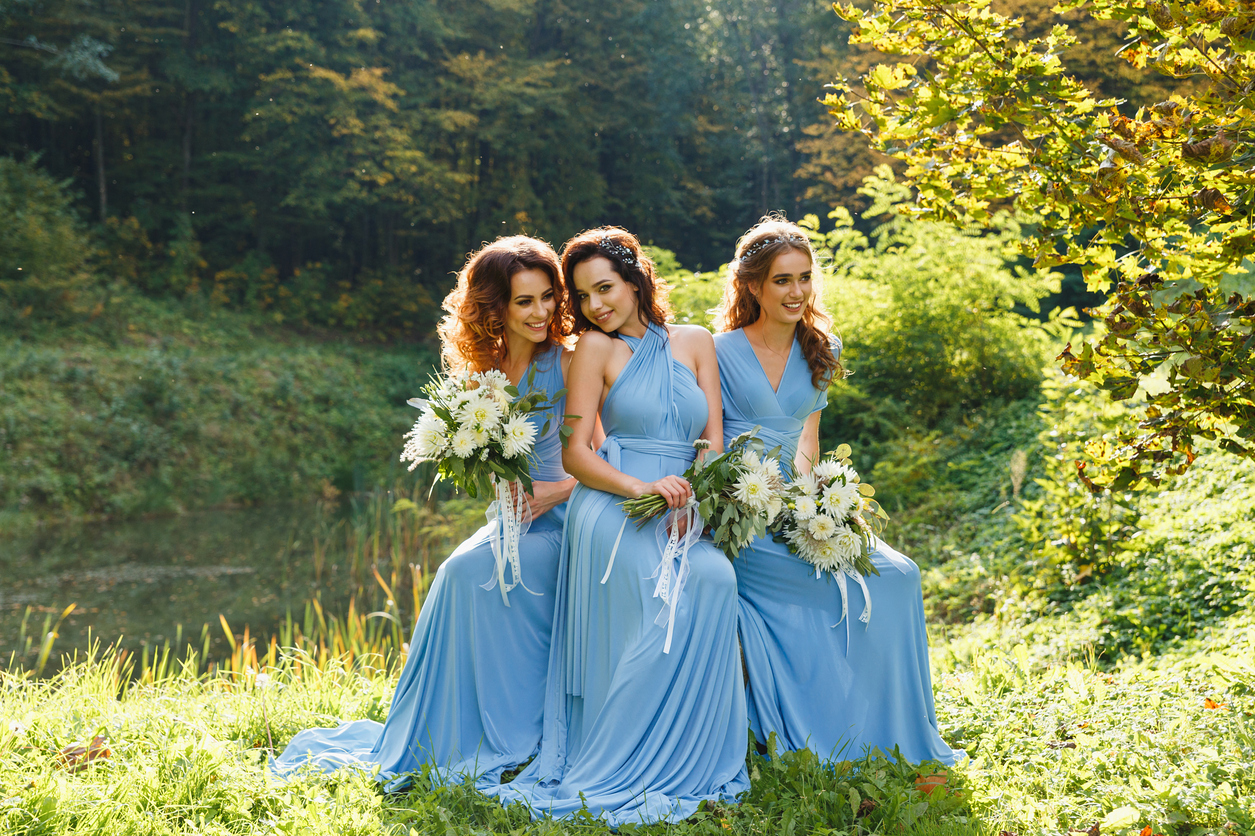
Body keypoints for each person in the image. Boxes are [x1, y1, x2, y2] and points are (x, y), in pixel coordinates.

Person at [271, 236, 581, 789]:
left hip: (570, 515)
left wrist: (550, 495)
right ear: (495, 308)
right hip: (513, 519)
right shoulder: (479, 375)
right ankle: (453, 726)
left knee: (469, 571)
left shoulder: (571, 361)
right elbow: (489, 467)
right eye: (524, 302)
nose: (541, 313)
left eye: (547, 298)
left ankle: (521, 729)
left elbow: (604, 457)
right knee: (456, 573)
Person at [485, 227, 748, 826]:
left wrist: (694, 503)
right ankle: (621, 753)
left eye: (604, 288)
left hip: (683, 505)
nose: (594, 305)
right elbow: (576, 453)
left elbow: (713, 441)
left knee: (713, 580)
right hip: (613, 505)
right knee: (663, 599)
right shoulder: (592, 353)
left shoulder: (695, 341)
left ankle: (691, 752)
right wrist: (641, 491)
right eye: (581, 296)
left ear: (634, 281)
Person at [712, 217, 959, 768]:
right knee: (820, 590)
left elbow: (807, 442)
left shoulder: (822, 347)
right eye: (781, 280)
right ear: (752, 286)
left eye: (804, 277)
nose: (797, 292)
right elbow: (704, 441)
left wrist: (819, 508)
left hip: (796, 508)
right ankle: (818, 724)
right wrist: (746, 505)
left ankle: (890, 726)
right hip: (738, 514)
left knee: (897, 575)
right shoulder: (717, 350)